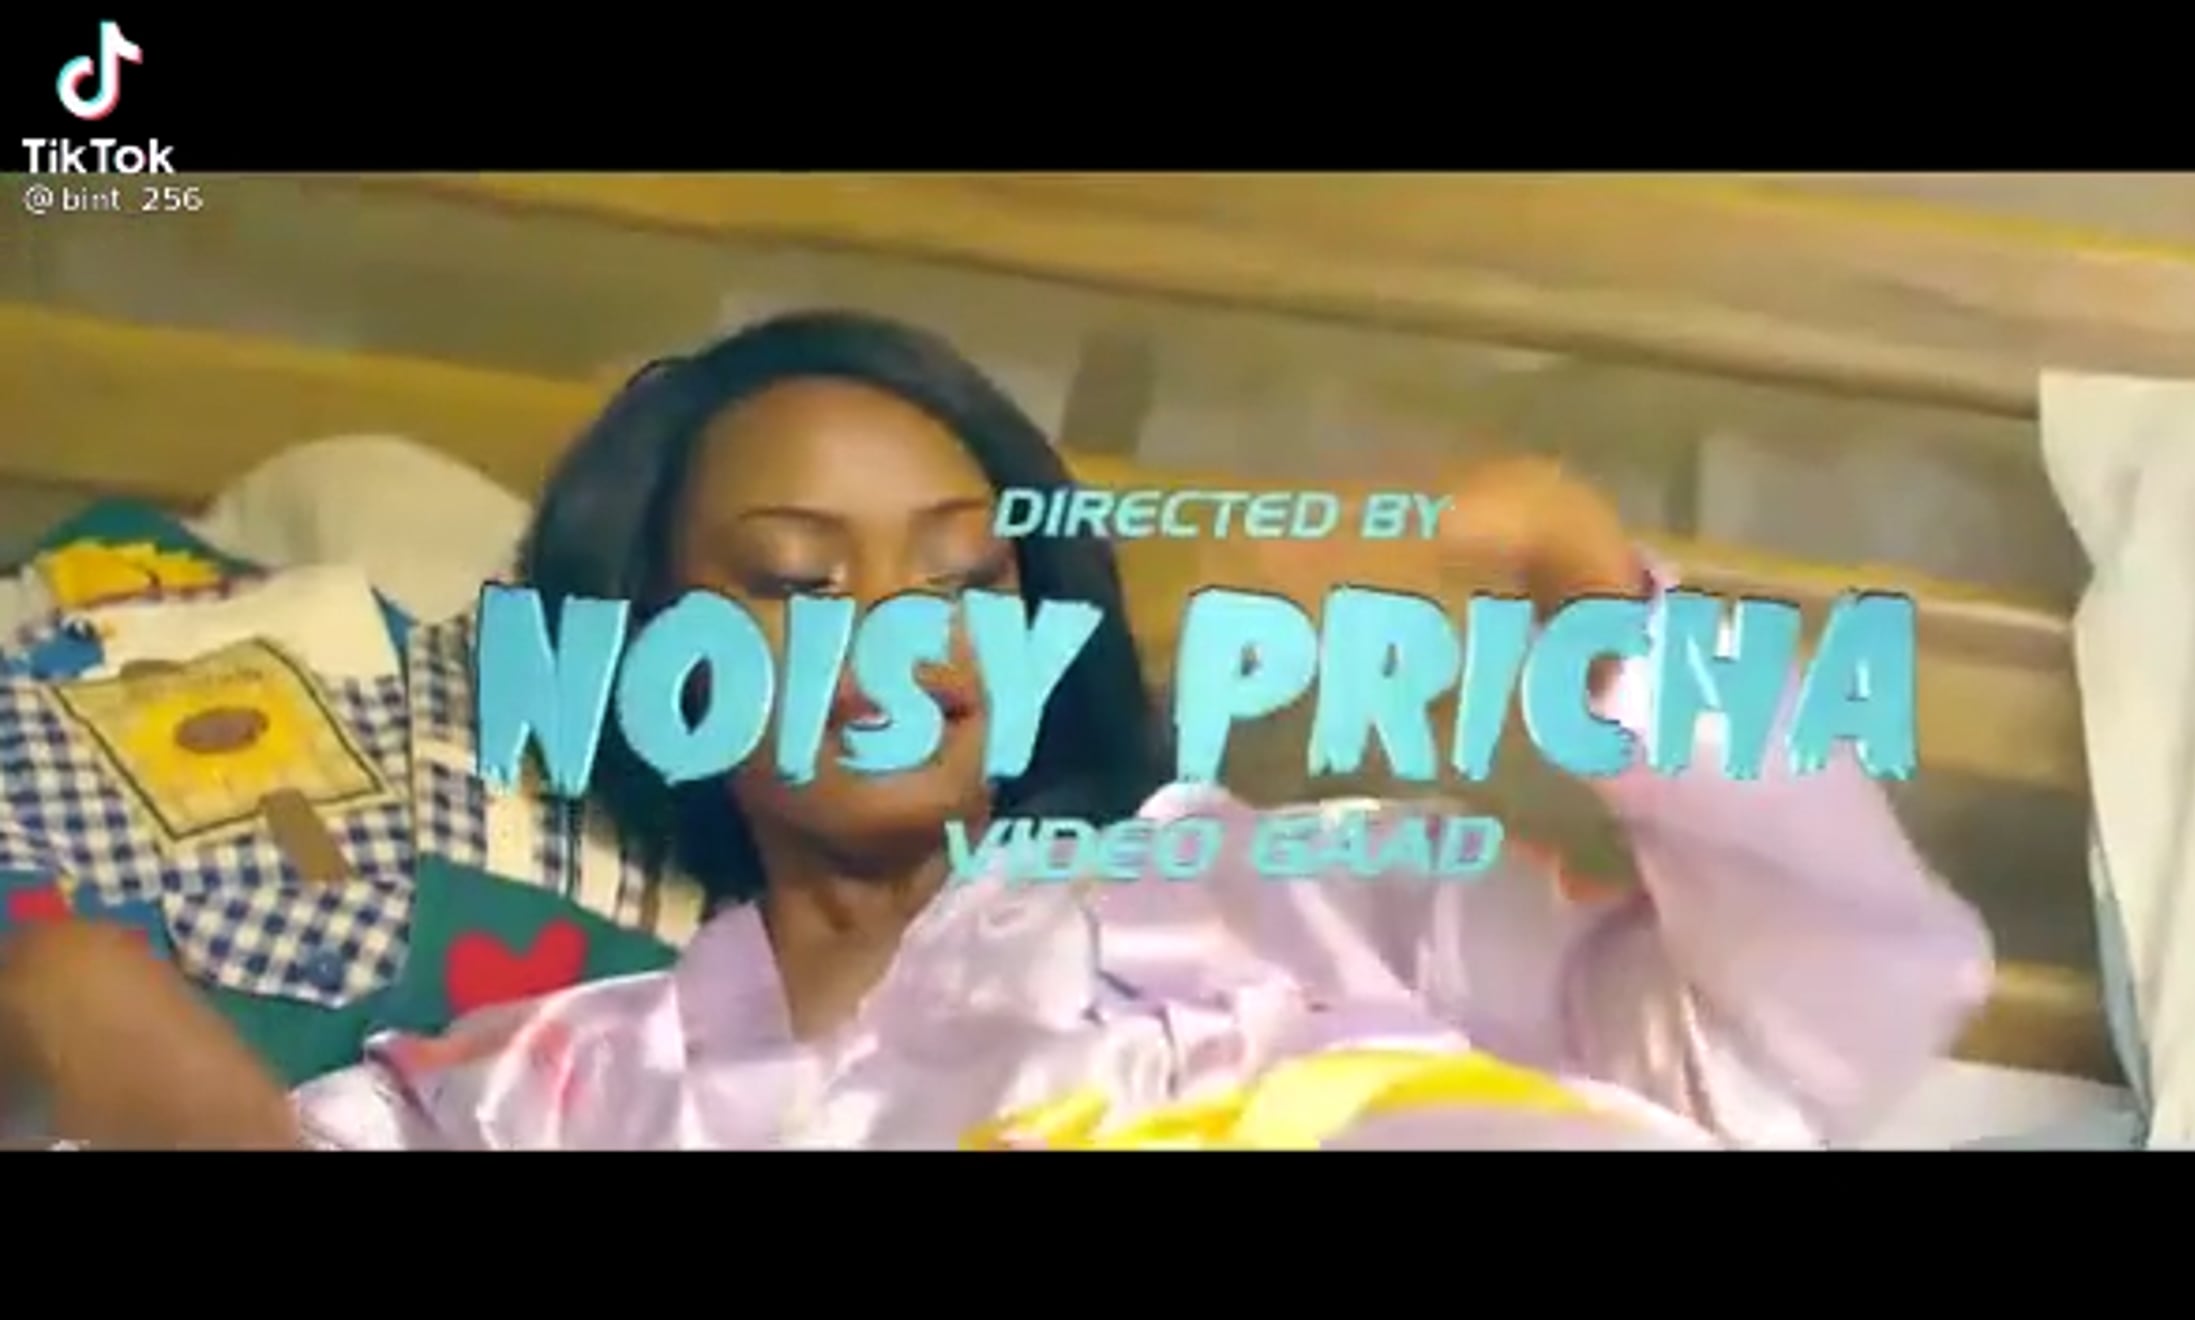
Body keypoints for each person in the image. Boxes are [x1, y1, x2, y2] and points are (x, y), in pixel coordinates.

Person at [2, 310, 1990, 1149]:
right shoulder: (564, 1083)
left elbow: (1804, 1027)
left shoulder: (1292, 898)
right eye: (796, 579)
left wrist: (1577, 578)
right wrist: (102, 1020)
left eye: (963, 575)